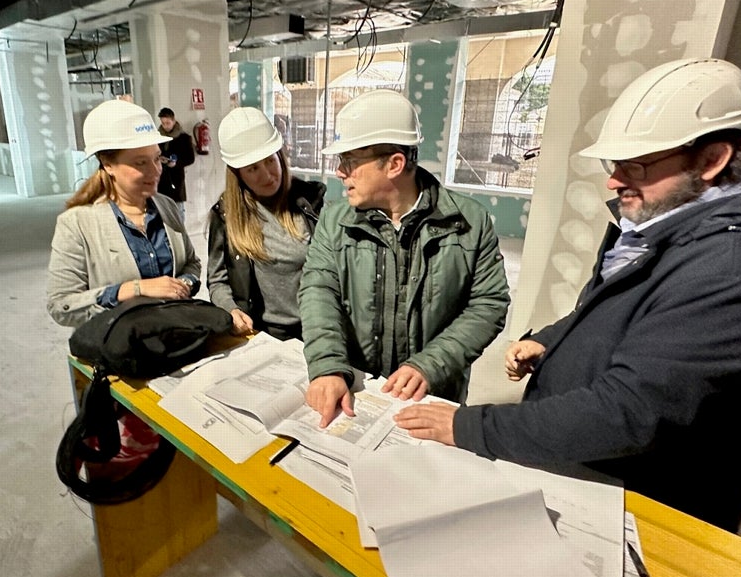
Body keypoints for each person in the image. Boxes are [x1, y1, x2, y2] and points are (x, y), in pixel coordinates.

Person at [393, 58, 741, 532]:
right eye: (614, 163)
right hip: (587, 473)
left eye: (636, 165)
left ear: (712, 159)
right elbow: (619, 307)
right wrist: (554, 338)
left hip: (642, 510)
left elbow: (628, 413)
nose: (612, 180)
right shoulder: (665, 230)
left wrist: (471, 427)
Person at [299, 90, 510, 427]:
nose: (341, 172)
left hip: (431, 398)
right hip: (358, 389)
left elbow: (488, 304)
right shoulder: (334, 220)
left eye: (350, 161)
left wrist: (431, 363)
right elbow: (318, 291)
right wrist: (327, 364)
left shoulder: (470, 222)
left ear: (395, 164)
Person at [46, 99, 201, 328]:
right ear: (108, 164)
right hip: (121, 348)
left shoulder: (167, 207)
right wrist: (133, 290)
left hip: (176, 334)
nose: (155, 170)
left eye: (157, 158)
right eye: (140, 163)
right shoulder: (77, 223)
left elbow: (191, 263)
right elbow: (61, 306)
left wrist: (183, 284)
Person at [207, 107, 325, 341]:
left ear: (280, 156)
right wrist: (231, 309)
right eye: (253, 169)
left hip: (316, 330)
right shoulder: (226, 215)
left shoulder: (311, 203)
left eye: (270, 161)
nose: (268, 175)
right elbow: (217, 280)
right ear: (238, 174)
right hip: (261, 333)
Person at [156, 107, 196, 222]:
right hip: (161, 180)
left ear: (173, 121)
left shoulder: (183, 138)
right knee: (162, 213)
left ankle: (180, 237)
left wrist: (176, 163)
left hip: (176, 180)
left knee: (178, 213)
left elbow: (190, 158)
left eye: (168, 123)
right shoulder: (158, 138)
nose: (165, 126)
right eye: (163, 123)